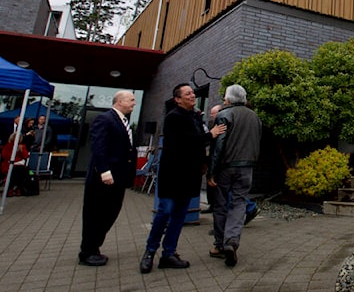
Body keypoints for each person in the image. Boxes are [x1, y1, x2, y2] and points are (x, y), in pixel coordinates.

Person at [140, 83, 225, 274]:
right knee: (165, 212)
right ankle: (149, 252)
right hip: (173, 174)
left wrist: (204, 162)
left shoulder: (195, 117)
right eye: (188, 94)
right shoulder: (173, 118)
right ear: (177, 99)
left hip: (190, 175)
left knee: (179, 216)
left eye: (193, 93)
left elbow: (198, 145)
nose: (192, 96)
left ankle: (169, 253)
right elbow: (186, 141)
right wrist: (209, 135)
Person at [79, 90, 137, 267]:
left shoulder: (123, 121)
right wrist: (104, 171)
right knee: (95, 214)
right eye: (131, 100)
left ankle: (94, 247)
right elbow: (98, 146)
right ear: (119, 101)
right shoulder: (105, 119)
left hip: (118, 179)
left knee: (111, 212)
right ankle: (87, 251)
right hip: (104, 179)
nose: (134, 103)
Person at [208, 84, 262, 267]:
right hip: (247, 167)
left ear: (228, 99)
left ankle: (219, 245)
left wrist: (212, 171)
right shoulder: (255, 117)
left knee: (220, 204)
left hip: (226, 167)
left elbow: (219, 145)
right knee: (239, 203)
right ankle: (232, 241)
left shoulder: (224, 114)